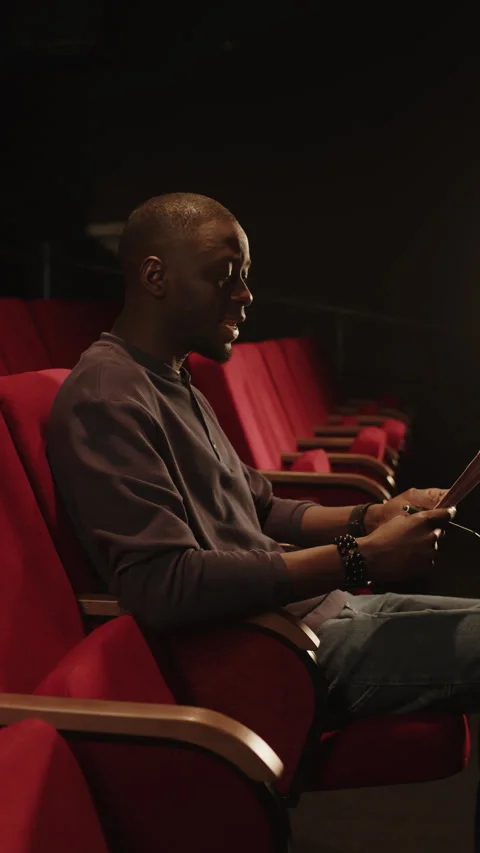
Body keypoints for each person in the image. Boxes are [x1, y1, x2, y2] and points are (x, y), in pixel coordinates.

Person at [47, 193, 480, 727]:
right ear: (155, 277)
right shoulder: (106, 395)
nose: (245, 295)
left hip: (314, 614)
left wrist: (375, 517)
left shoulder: (171, 376)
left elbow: (261, 506)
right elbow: (166, 587)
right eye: (224, 276)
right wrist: (359, 556)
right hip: (270, 651)